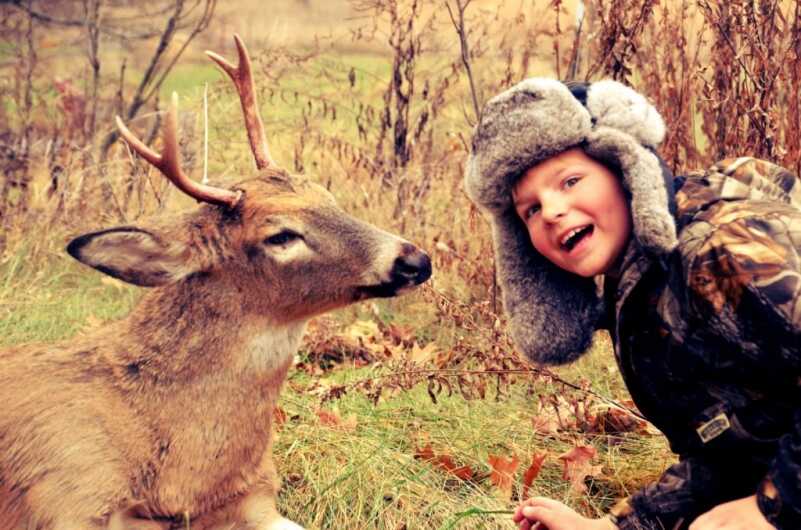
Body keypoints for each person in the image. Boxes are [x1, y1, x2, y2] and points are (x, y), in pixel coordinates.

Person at [464, 78, 801, 529]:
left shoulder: (720, 251)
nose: (551, 210)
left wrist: (771, 509)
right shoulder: (640, 287)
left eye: (570, 180)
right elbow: (730, 449)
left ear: (624, 168)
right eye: (530, 210)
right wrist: (617, 526)